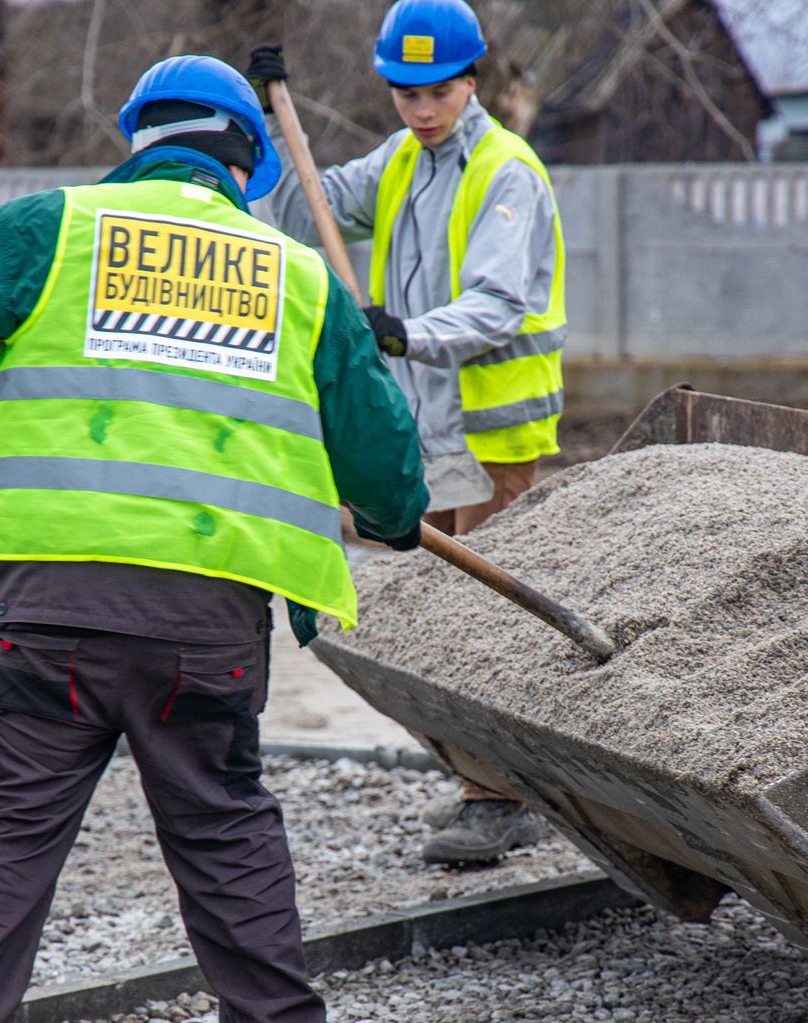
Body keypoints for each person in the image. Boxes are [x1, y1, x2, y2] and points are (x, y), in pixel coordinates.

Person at [0, 55, 428, 1023]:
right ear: (245, 162)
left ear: (139, 141)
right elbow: (382, 463)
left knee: (4, 835)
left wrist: (19, 348)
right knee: (223, 825)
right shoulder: (297, 276)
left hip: (52, 605)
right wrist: (397, 516)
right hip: (204, 623)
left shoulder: (54, 231)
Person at [248, 0, 563, 868]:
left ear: (472, 81)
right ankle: (485, 780)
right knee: (445, 618)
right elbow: (302, 209)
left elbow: (498, 306)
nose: (422, 110)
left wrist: (405, 334)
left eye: (437, 92)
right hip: (429, 431)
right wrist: (267, 128)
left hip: (494, 438)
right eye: (405, 93)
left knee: (488, 623)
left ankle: (499, 799)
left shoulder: (507, 172)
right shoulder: (399, 161)